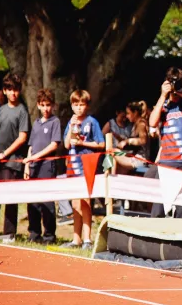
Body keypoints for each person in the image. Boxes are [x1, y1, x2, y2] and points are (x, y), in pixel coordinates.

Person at [147, 67, 182, 217]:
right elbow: (152, 123)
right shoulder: (164, 105)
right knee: (159, 206)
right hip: (166, 161)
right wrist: (162, 95)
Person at [0, 73, 29, 241]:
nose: (13, 93)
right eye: (10, 89)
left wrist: (5, 154)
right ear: (4, 91)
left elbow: (22, 137)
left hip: (13, 162)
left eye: (16, 90)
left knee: (10, 199)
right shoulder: (1, 109)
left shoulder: (23, 111)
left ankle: (8, 234)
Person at [62, 89, 104, 248]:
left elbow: (101, 144)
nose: (79, 108)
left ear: (87, 105)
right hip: (72, 164)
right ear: (72, 105)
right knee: (75, 203)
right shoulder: (70, 122)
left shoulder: (92, 122)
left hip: (86, 164)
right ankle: (76, 239)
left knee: (86, 201)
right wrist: (71, 126)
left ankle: (87, 239)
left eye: (82, 104)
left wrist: (82, 144)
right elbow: (66, 144)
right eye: (76, 104)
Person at [24, 88, 61, 244]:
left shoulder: (55, 122)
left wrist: (36, 157)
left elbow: (54, 145)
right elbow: (31, 145)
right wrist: (27, 164)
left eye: (48, 105)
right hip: (33, 167)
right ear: (38, 105)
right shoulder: (36, 123)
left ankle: (49, 235)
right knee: (33, 201)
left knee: (47, 201)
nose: (45, 109)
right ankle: (34, 233)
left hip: (46, 166)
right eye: (43, 105)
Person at [112, 101, 150, 174]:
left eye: (128, 113)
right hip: (133, 156)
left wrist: (127, 141)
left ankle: (112, 179)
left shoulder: (141, 123)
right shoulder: (135, 124)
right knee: (119, 167)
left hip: (140, 160)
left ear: (135, 113)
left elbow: (143, 140)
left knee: (113, 152)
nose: (126, 116)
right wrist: (121, 139)